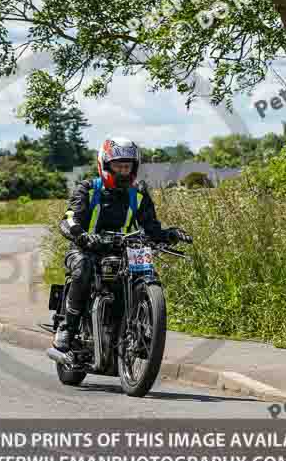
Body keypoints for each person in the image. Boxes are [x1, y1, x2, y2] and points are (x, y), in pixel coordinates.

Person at [53, 137, 191, 353]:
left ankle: (138, 329)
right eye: (118, 166)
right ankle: (67, 328)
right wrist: (82, 236)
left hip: (124, 252)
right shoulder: (88, 189)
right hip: (85, 249)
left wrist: (169, 234)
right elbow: (69, 219)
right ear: (105, 165)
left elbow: (151, 228)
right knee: (83, 268)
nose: (123, 171)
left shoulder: (138, 194)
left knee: (144, 274)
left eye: (127, 166)